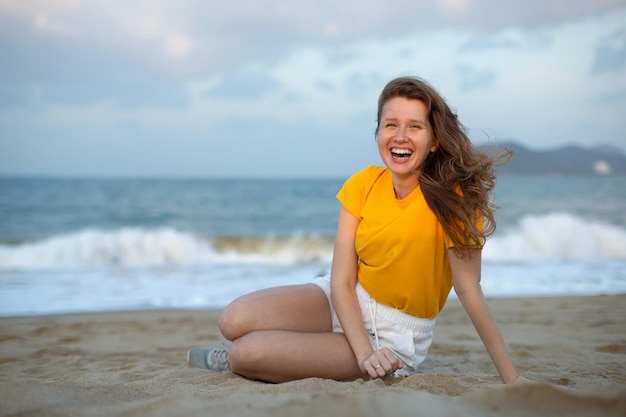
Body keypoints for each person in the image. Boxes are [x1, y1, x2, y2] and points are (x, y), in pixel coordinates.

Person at [187, 75, 526, 384]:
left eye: (415, 127)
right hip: (346, 299)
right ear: (378, 133)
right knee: (233, 319)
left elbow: (469, 291)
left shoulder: (456, 199)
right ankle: (287, 351)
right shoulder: (363, 184)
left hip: (394, 335)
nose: (400, 137)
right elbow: (341, 281)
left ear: (434, 140)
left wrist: (513, 381)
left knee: (247, 352)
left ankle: (240, 359)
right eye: (390, 124)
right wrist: (361, 350)